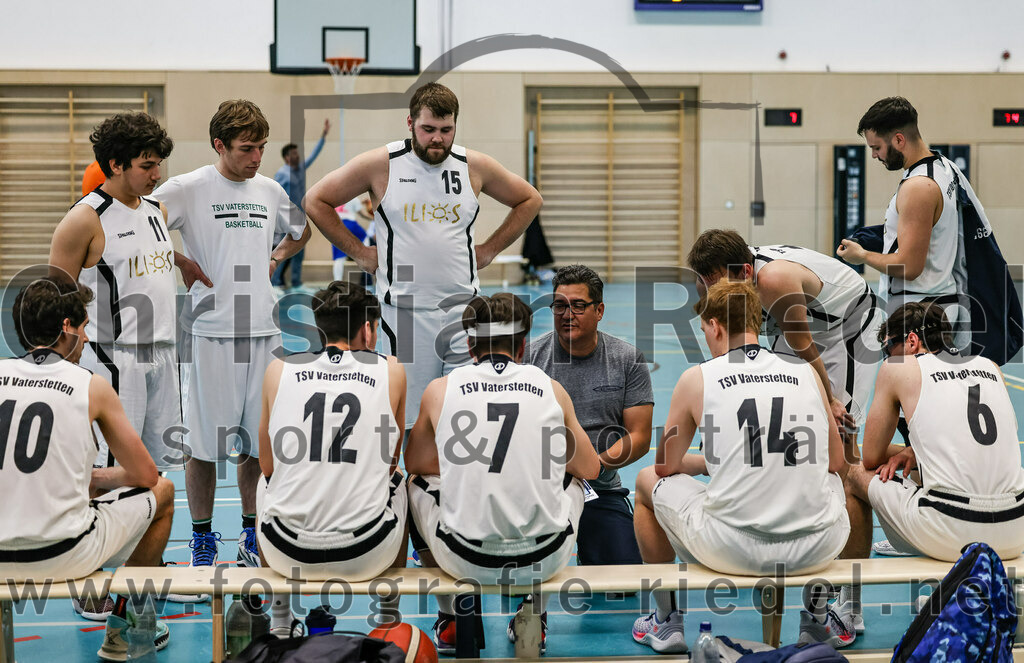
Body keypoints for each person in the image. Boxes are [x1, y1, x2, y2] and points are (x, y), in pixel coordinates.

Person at [304, 82, 543, 431]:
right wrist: (359, 253)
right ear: (410, 123)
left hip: (464, 312)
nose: (437, 139)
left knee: (467, 412)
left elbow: (529, 199)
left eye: (446, 131)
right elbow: (316, 200)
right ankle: (419, 485)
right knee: (413, 419)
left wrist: (490, 250)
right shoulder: (381, 163)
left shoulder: (472, 166)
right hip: (405, 314)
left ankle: (457, 485)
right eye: (428, 129)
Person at [631, 280, 851, 654]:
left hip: (731, 546)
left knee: (645, 482)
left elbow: (665, 466)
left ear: (715, 326)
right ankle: (816, 621)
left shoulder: (697, 377)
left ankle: (667, 621)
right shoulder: (806, 373)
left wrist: (705, 464)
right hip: (817, 545)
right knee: (830, 479)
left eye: (704, 330)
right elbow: (837, 462)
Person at [153, 99, 311, 593]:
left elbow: (301, 230)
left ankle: (250, 530)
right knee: (202, 444)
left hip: (264, 332)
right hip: (210, 334)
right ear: (218, 145)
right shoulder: (189, 187)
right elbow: (138, 220)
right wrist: (180, 262)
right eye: (246, 148)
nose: (256, 157)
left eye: (261, 147)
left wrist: (276, 256)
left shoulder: (268, 188)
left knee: (255, 442)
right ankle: (202, 538)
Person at [404, 293, 600, 655]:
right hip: (545, 557)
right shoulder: (550, 388)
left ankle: (450, 620)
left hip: (464, 558)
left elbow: (415, 464)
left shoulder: (440, 390)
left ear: (469, 343)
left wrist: (463, 469)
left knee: (411, 484)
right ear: (523, 345)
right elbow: (590, 467)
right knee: (570, 477)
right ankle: (533, 616)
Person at [0, 279, 175, 661]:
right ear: (67, 328)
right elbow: (146, 476)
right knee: (164, 493)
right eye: (82, 328)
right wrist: (98, 479)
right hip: (62, 552)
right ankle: (123, 630)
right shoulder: (90, 385)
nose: (84, 338)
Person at [840, 302, 1024, 633]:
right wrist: (914, 449)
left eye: (890, 348)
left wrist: (905, 447)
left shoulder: (899, 368)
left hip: (952, 528)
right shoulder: (990, 366)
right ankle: (956, 592)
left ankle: (846, 609)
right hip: (1015, 527)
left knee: (854, 473)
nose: (888, 357)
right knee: (942, 470)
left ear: (911, 341)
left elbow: (869, 457)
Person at [49, 112, 207, 476]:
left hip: (165, 353)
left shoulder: (157, 210)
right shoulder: (84, 219)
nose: (157, 175)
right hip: (114, 358)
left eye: (159, 165)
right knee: (113, 470)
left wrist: (182, 261)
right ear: (115, 165)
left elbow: (142, 256)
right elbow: (55, 297)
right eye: (147, 165)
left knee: (156, 470)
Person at [257, 281, 407, 633]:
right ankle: (387, 620)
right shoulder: (392, 370)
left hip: (286, 551)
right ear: (368, 330)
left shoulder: (279, 370)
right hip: (366, 552)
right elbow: (391, 463)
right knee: (404, 481)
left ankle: (280, 620)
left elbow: (267, 465)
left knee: (265, 482)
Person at [688, 229, 883, 447]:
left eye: (724, 286)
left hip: (849, 321)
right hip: (794, 320)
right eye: (709, 285)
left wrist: (829, 400)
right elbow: (726, 350)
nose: (717, 293)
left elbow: (802, 343)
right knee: (786, 404)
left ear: (746, 272)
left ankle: (848, 473)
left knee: (838, 421)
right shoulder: (706, 285)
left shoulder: (774, 280)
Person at [524, 264, 652, 572]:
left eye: (579, 306)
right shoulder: (529, 358)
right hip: (540, 489)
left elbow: (640, 436)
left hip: (601, 488)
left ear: (599, 310)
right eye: (559, 306)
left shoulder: (626, 359)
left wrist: (594, 467)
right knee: (517, 582)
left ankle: (592, 545)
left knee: (622, 580)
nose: (567, 314)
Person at [837, 96, 969, 350]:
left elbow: (909, 266)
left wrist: (863, 255)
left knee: (906, 388)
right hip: (934, 305)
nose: (875, 156)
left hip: (920, 315)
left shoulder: (918, 187)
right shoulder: (943, 168)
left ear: (898, 140)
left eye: (876, 147)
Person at [272, 118, 330, 290]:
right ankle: (276, 283)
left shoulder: (300, 169)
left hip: (299, 216)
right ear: (286, 157)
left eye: (298, 153)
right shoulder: (282, 174)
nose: (298, 156)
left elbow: (313, 155)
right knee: (284, 250)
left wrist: (323, 136)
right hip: (286, 218)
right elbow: (275, 196)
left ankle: (296, 283)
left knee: (299, 250)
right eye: (294, 154)